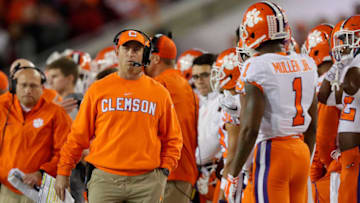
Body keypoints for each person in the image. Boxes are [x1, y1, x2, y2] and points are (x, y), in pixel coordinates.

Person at [55, 29, 183, 203]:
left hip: (146, 182)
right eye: (126, 48)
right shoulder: (98, 89)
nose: (131, 54)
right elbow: (77, 137)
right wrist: (63, 172)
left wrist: (164, 171)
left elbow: (173, 138)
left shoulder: (160, 93)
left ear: (144, 54)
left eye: (136, 49)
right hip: (105, 180)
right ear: (117, 52)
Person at [225, 2, 318, 203]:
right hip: (300, 149)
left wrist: (233, 174)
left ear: (251, 30)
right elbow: (313, 125)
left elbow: (250, 129)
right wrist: (304, 159)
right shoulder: (306, 62)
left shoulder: (256, 66)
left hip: (273, 153)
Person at [0, 67, 71, 203]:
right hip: (8, 190)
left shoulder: (56, 113)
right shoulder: (3, 108)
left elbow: (65, 152)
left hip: (41, 190)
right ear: (15, 86)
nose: (28, 90)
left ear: (42, 88)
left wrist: (41, 173)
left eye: (33, 85)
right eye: (23, 85)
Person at [145, 34, 198, 202]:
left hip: (167, 172)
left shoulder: (159, 85)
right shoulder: (183, 83)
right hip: (184, 170)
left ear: (155, 58)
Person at [318, 15, 360, 203]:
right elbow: (325, 96)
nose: (342, 46)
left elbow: (352, 86)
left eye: (347, 39)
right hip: (349, 157)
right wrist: (339, 67)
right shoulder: (347, 68)